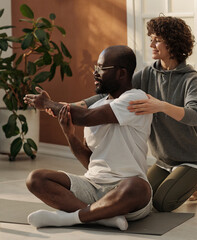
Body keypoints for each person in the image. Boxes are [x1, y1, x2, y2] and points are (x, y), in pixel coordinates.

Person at [83, 16, 197, 212]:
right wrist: (75, 105)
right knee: (143, 198)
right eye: (151, 38)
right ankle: (186, 181)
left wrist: (161, 106)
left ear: (173, 42)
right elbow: (113, 94)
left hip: (193, 157)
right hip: (164, 160)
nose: (151, 44)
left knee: (163, 203)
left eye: (157, 39)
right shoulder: (147, 74)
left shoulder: (190, 79)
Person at [23, 45, 153, 231]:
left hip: (125, 189)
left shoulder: (136, 99)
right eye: (96, 67)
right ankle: (100, 217)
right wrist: (70, 136)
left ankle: (70, 218)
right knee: (35, 179)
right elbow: (90, 162)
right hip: (92, 186)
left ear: (122, 73)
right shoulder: (95, 107)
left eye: (101, 68)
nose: (95, 73)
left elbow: (85, 118)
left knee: (139, 187)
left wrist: (47, 104)